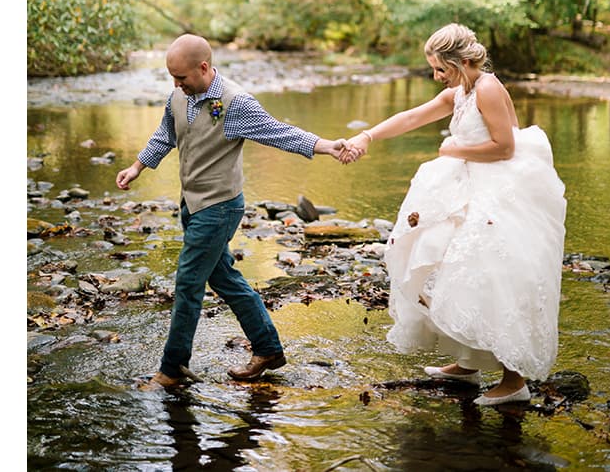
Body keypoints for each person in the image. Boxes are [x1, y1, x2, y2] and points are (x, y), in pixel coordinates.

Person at [341, 23, 567, 406]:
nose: (436, 76)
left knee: (491, 273)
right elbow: (412, 117)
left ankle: (514, 381)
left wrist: (452, 150)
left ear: (463, 62)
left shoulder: (489, 88)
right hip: (466, 181)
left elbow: (504, 147)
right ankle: (468, 362)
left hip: (500, 188)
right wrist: (368, 136)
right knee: (442, 263)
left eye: (441, 69)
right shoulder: (460, 90)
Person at [115, 34, 354, 389]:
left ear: (204, 67)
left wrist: (327, 146)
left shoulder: (235, 103)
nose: (176, 84)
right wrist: (137, 167)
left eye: (181, 77)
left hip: (220, 207)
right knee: (223, 277)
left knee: (188, 283)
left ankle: (172, 369)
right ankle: (268, 349)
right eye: (172, 77)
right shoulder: (178, 96)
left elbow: (279, 133)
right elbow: (165, 134)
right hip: (192, 204)